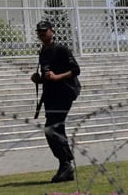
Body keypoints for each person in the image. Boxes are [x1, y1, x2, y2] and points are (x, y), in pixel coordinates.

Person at [31, 20, 81, 183]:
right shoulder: (43, 52)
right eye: (39, 32)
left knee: (52, 127)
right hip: (50, 95)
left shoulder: (61, 49)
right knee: (55, 128)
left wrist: (57, 77)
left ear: (52, 31)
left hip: (65, 93)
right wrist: (38, 79)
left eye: (44, 31)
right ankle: (65, 165)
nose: (41, 34)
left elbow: (76, 70)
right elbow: (47, 75)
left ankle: (66, 163)